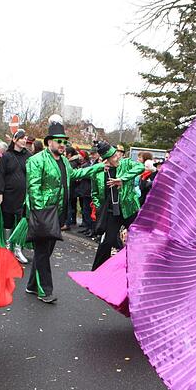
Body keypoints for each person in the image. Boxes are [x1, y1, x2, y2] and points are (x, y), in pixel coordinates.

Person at [25, 115, 80, 303]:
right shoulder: (37, 160)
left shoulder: (64, 161)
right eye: (59, 141)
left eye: (65, 141)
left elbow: (74, 174)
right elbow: (34, 187)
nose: (63, 144)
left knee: (45, 252)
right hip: (43, 213)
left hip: (57, 213)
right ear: (49, 142)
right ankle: (45, 291)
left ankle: (32, 285)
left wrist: (98, 167)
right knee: (42, 253)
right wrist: (40, 213)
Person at [74, 141, 145, 271]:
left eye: (116, 154)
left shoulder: (126, 163)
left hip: (130, 209)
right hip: (112, 211)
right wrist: (100, 208)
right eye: (113, 156)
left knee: (138, 240)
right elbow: (94, 193)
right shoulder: (99, 172)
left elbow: (140, 168)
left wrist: (122, 179)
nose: (117, 157)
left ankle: (142, 270)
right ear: (106, 160)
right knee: (107, 242)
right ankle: (97, 272)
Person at [0, 129, 31, 264]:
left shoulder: (29, 156)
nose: (24, 140)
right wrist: (0, 193)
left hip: (24, 196)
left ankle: (18, 249)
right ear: (15, 140)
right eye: (21, 138)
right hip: (9, 195)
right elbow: (0, 175)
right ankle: (8, 247)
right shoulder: (7, 156)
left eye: (25, 138)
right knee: (8, 221)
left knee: (22, 221)